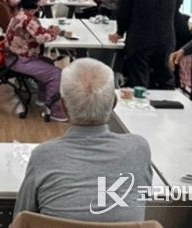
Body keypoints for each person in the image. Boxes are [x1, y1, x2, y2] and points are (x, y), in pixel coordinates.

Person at [14, 58, 152, 222]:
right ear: (114, 103)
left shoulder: (43, 155)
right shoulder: (139, 149)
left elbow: (21, 218)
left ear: (64, 107)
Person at [110, 0, 176, 89]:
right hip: (166, 42)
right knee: (165, 84)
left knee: (139, 84)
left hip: (140, 42)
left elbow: (123, 15)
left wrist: (119, 32)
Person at [5, 0, 66, 121]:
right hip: (20, 61)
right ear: (36, 4)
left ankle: (42, 98)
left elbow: (36, 32)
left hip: (13, 57)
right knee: (56, 73)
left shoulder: (20, 15)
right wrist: (54, 33)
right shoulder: (29, 20)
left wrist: (47, 31)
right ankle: (54, 110)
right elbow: (41, 38)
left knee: (48, 63)